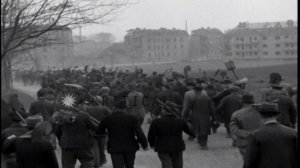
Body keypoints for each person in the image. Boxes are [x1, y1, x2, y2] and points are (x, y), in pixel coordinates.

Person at [98, 98, 148, 168]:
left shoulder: (108, 119)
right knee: (130, 166)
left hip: (114, 147)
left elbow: (100, 132)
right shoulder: (133, 118)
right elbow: (139, 133)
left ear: (115, 107)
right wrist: (144, 145)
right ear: (126, 107)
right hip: (130, 147)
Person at [244, 102, 297, 168]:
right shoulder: (292, 132)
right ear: (277, 116)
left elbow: (250, 161)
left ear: (260, 116)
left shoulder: (255, 135)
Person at [53, 95, 98, 168]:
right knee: (88, 161)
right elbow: (95, 128)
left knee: (67, 166)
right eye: (84, 104)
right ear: (79, 105)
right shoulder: (84, 115)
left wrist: (61, 140)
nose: (85, 106)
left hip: (67, 145)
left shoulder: (62, 115)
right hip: (82, 145)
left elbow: (57, 131)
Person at [148, 102, 195, 168]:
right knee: (177, 165)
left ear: (164, 110)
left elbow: (151, 135)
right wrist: (193, 131)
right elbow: (191, 132)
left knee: (166, 164)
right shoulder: (181, 121)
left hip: (162, 147)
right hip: (177, 147)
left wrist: (152, 144)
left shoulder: (156, 122)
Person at [230, 94, 263, 161]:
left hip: (244, 142)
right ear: (253, 102)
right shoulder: (260, 112)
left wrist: (247, 133)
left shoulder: (236, 114)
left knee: (247, 161)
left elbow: (233, 129)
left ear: (242, 102)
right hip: (260, 140)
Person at [85, 96, 111, 167]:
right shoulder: (105, 109)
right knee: (101, 147)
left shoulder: (87, 109)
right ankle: (101, 161)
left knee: (94, 146)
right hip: (102, 131)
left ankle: (96, 161)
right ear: (101, 101)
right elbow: (110, 117)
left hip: (91, 131)